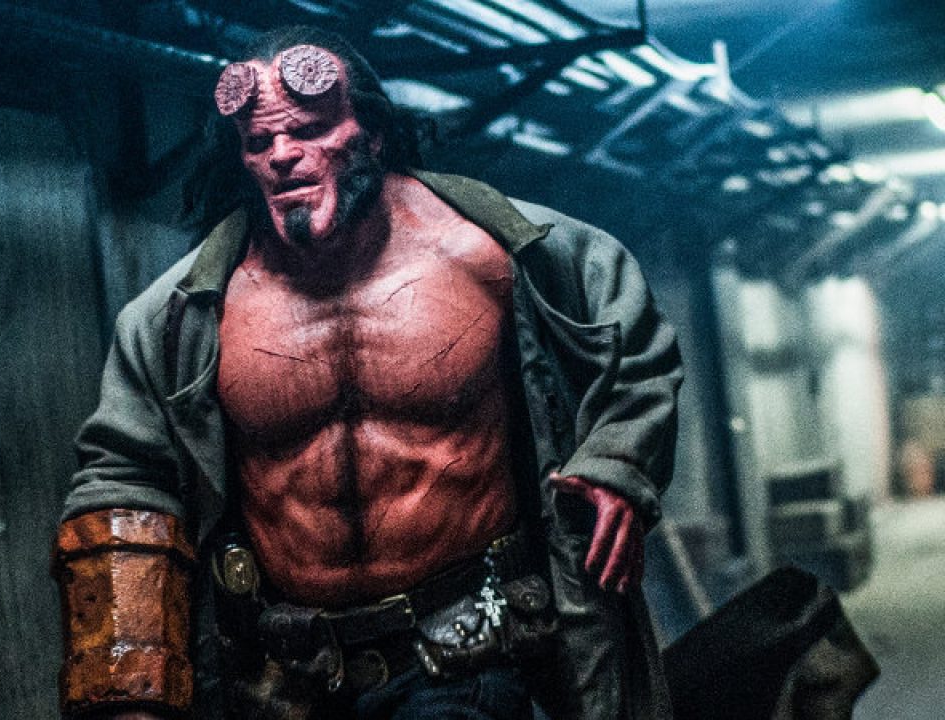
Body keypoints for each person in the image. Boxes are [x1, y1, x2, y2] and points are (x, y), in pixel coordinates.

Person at [51, 25, 682, 720]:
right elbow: (124, 481)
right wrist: (128, 688)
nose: (282, 155)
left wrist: (618, 459)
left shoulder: (493, 253)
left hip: (463, 657)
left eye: (309, 131)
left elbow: (634, 351)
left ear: (373, 135)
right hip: (286, 678)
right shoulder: (185, 314)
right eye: (259, 142)